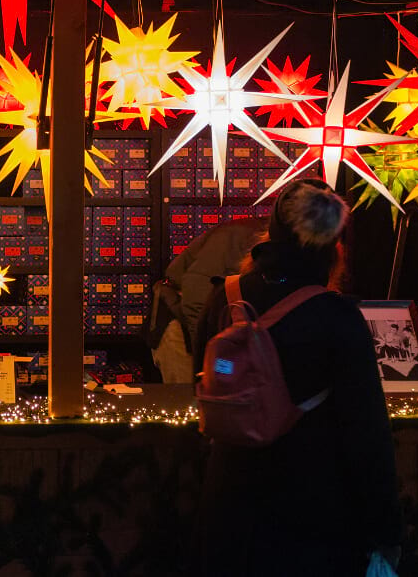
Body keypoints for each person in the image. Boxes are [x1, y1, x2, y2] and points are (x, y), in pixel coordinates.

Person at [194, 179, 403, 577]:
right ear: (332, 244)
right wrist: (386, 530)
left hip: (228, 508)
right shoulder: (338, 317)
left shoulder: (224, 298)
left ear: (273, 228)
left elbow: (201, 386)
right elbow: (367, 433)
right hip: (314, 514)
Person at [150, 217, 266, 382]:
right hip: (182, 327)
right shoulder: (237, 235)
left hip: (220, 329)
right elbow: (196, 298)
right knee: (196, 397)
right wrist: (204, 360)